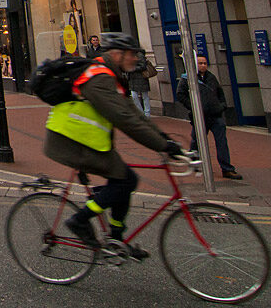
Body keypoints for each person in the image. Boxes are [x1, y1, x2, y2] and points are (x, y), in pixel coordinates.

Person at [44, 33, 182, 257]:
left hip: (88, 140)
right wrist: (162, 146)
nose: (136, 59)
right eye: (132, 54)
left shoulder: (111, 76)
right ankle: (79, 220)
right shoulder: (98, 77)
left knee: (123, 180)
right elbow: (124, 119)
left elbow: (135, 114)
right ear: (117, 54)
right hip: (70, 141)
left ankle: (116, 240)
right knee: (126, 180)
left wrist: (165, 139)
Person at [175, 54, 242, 180]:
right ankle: (194, 162)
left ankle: (227, 169)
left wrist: (222, 106)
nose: (203, 65)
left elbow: (220, 93)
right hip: (200, 116)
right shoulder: (187, 78)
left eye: (205, 63)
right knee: (197, 141)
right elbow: (180, 95)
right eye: (200, 63)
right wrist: (193, 106)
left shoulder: (211, 77)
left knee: (222, 142)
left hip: (216, 115)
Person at [126, 48, 157, 117]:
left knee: (144, 96)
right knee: (134, 96)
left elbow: (143, 66)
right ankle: (141, 112)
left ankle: (147, 113)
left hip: (141, 78)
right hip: (132, 79)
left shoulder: (139, 55)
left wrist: (133, 68)